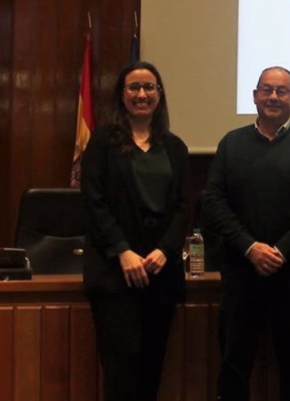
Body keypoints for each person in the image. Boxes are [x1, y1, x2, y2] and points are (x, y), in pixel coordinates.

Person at [203, 66, 290, 400]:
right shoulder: (231, 144)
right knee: (234, 367)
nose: (273, 97)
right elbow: (214, 202)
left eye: (281, 91)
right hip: (241, 272)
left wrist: (281, 250)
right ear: (254, 96)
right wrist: (250, 248)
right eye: (266, 90)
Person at [81, 61, 190, 401]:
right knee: (121, 367)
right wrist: (122, 251)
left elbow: (184, 207)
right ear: (122, 95)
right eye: (134, 87)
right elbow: (93, 202)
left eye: (149, 87)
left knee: (151, 368)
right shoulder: (102, 142)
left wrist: (165, 250)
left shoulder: (175, 147)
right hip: (115, 274)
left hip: (160, 272)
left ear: (159, 94)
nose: (142, 94)